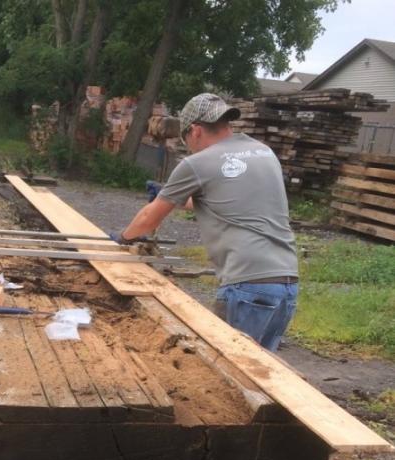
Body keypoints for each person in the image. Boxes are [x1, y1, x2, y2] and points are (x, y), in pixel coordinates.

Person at [114, 92, 299, 352]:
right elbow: (226, 201)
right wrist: (174, 198)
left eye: (186, 139)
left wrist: (123, 238)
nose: (188, 145)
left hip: (246, 283)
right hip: (286, 283)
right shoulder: (263, 153)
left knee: (226, 370)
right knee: (264, 373)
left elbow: (148, 219)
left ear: (196, 130)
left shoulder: (198, 163)